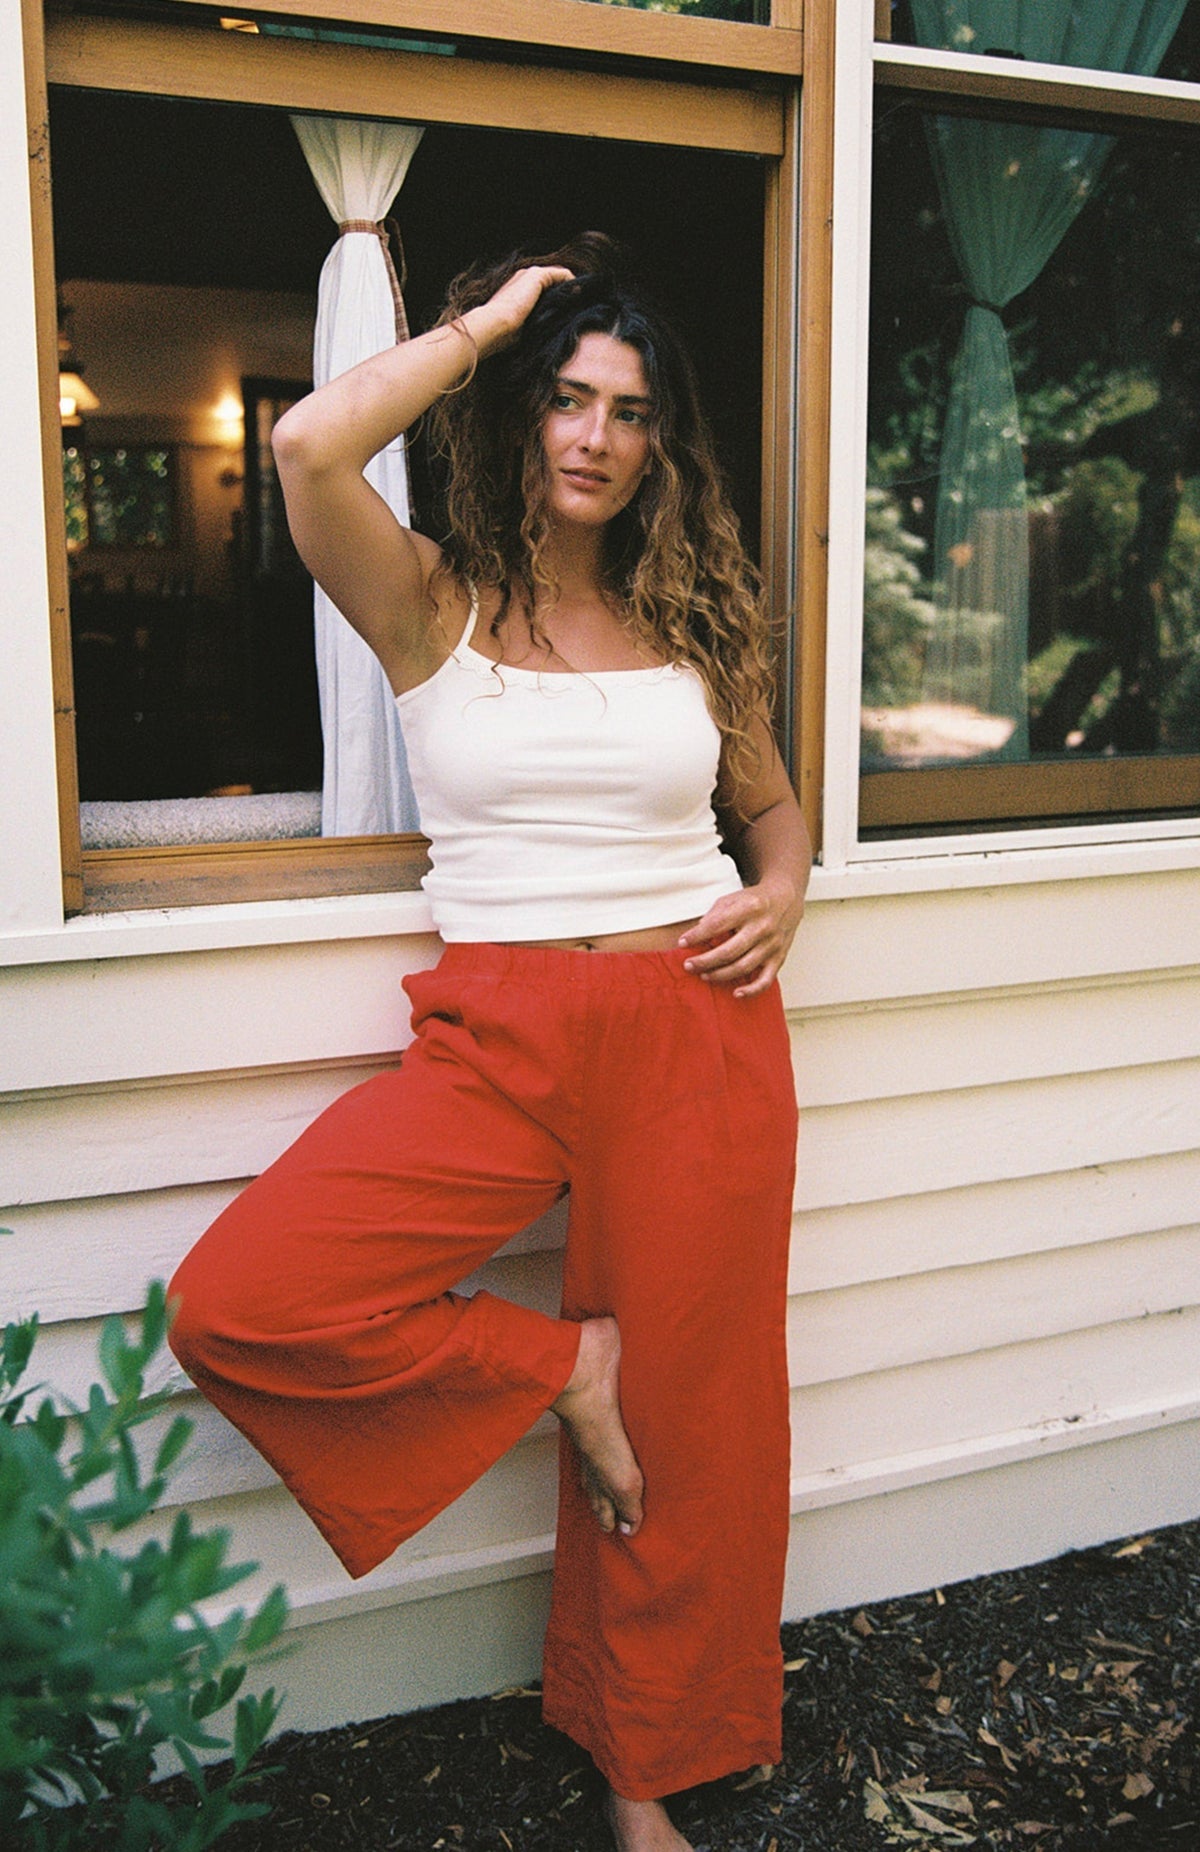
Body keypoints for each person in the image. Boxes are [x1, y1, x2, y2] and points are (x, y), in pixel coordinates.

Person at [168, 233, 811, 1852]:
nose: (597, 435)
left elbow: (766, 800)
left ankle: (646, 1765)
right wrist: (492, 319)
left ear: (664, 443)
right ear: (525, 414)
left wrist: (788, 885)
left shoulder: (691, 614)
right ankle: (560, 1370)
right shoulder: (430, 600)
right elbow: (313, 444)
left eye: (634, 410)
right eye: (572, 399)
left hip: (698, 1026)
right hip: (504, 1030)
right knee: (245, 1299)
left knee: (697, 1419)